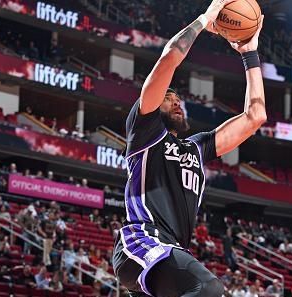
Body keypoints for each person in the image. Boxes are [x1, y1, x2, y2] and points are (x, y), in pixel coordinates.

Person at [112, 0, 267, 296]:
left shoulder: (196, 148)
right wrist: (204, 19)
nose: (176, 101)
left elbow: (255, 116)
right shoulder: (146, 131)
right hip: (143, 243)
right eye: (169, 97)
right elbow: (169, 58)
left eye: (178, 98)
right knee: (209, 289)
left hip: (169, 255)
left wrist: (250, 53)